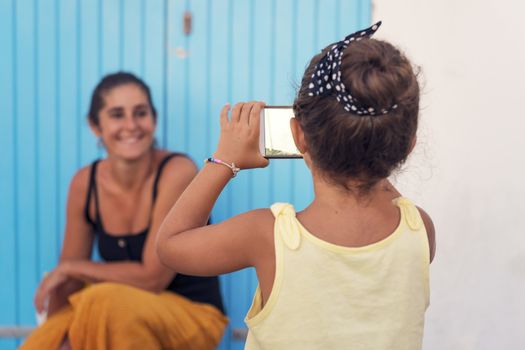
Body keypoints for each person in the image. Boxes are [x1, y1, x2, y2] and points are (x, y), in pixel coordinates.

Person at [156, 22, 435, 350]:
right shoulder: (420, 231)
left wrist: (224, 159)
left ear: (299, 135)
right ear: (407, 145)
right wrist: (372, 138)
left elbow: (170, 245)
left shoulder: (269, 236)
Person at [22, 72, 227, 350]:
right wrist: (61, 327)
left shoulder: (177, 171)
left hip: (192, 315)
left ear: (153, 120)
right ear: (95, 126)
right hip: (117, 312)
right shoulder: (85, 183)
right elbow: (69, 283)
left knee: (102, 301)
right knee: (47, 340)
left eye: (140, 113)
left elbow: (152, 278)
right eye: (117, 115)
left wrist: (70, 268)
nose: (131, 125)